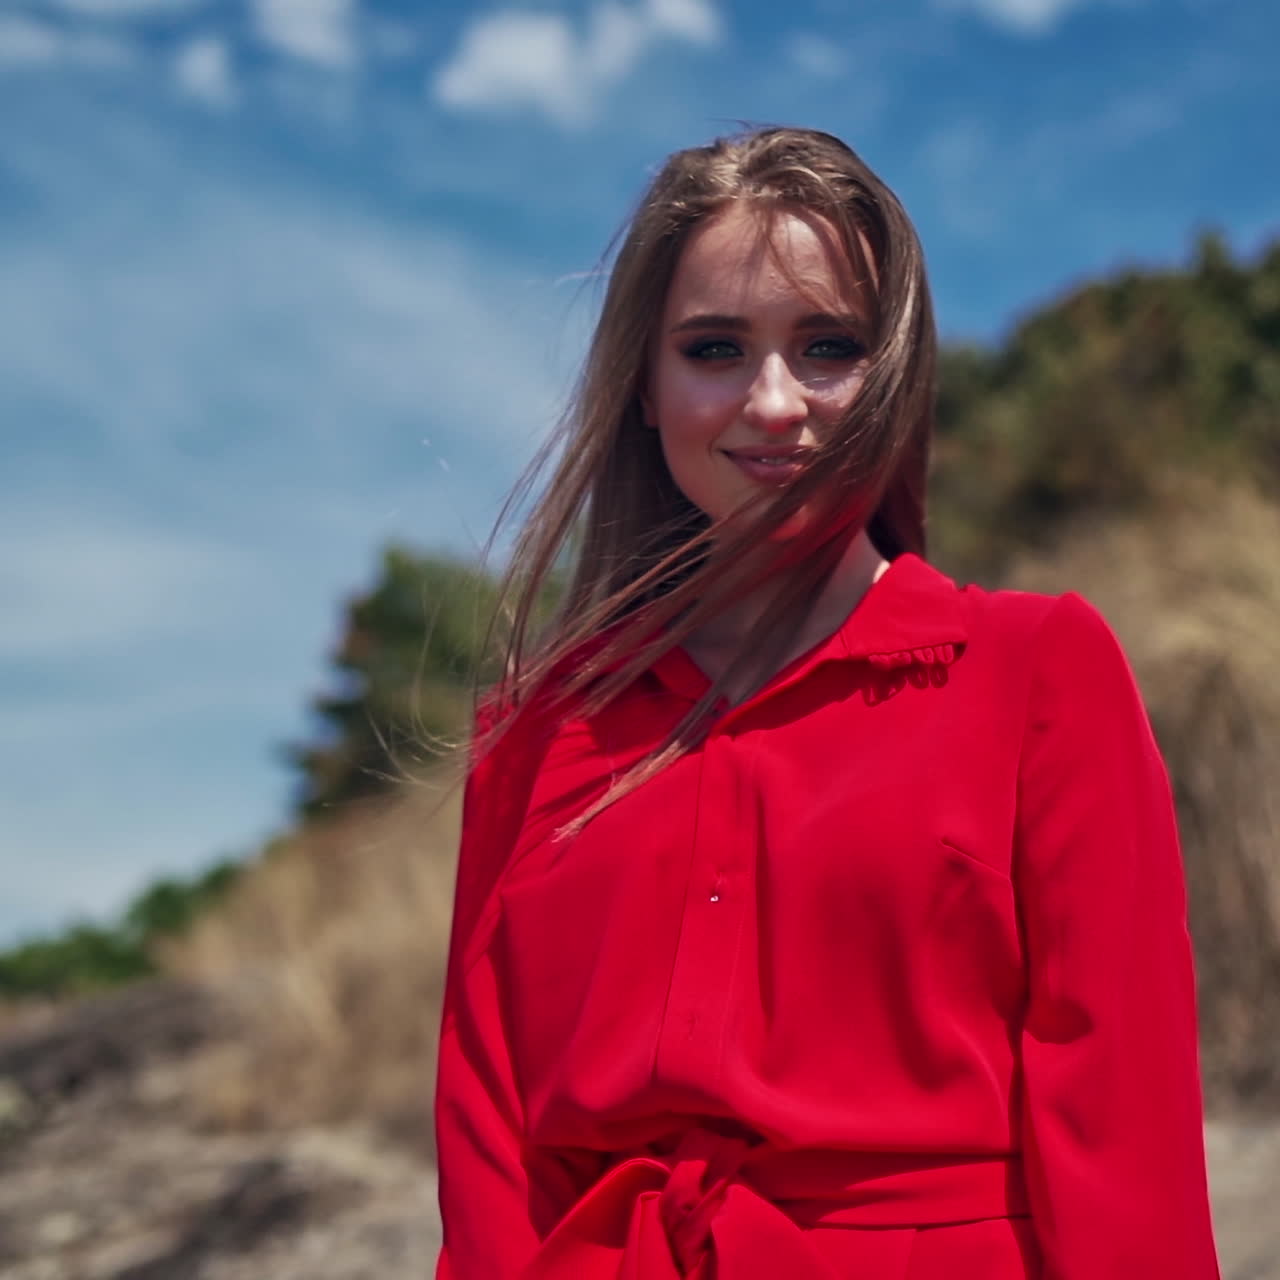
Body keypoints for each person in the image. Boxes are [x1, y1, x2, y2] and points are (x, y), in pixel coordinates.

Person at [432, 127, 1221, 1278]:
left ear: (893, 373)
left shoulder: (1037, 671)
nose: (773, 402)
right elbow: (489, 1147)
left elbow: (1120, 1129)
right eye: (713, 347)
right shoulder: (535, 727)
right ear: (643, 391)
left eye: (826, 346)